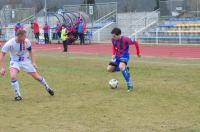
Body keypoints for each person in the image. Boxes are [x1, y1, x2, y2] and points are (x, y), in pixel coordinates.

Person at [0, 30, 54, 101]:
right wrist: (2, 68)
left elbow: (30, 51)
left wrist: (33, 62)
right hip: (14, 61)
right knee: (13, 76)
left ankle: (47, 87)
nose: (25, 38)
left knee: (36, 77)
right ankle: (18, 96)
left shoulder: (26, 42)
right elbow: (2, 54)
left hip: (25, 61)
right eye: (24, 36)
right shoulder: (9, 43)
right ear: (19, 36)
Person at [107, 28, 141, 92]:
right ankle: (125, 69)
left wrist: (138, 53)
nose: (113, 37)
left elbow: (136, 42)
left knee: (121, 66)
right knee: (109, 69)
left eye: (114, 36)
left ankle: (129, 85)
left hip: (124, 56)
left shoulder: (126, 39)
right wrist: (113, 54)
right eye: (113, 36)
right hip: (117, 56)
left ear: (119, 35)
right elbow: (114, 46)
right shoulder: (113, 39)